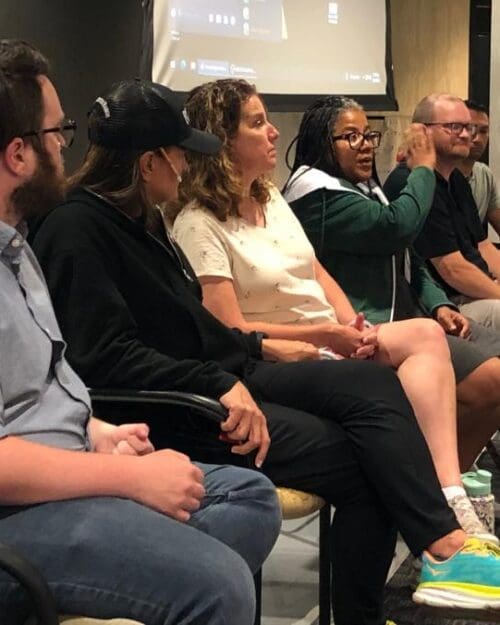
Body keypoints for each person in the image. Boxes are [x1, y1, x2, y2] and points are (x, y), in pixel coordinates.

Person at [30, 76, 500, 623]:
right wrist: (224, 380)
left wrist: (262, 347)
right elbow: (103, 358)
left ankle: (437, 547)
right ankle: (435, 553)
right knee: (366, 455)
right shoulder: (79, 229)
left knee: (374, 392)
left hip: (222, 374)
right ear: (150, 162)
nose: (186, 168)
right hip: (178, 406)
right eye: (180, 155)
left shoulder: (139, 221)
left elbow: (197, 328)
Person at [0, 39, 282, 625]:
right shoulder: (65, 233)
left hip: (70, 463)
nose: (67, 147)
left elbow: (40, 389)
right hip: (17, 516)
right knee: (220, 586)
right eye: (60, 133)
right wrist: (125, 477)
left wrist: (97, 430)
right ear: (18, 155)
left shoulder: (16, 245)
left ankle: (150, 572)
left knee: (249, 496)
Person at [171, 78, 493, 544]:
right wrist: (326, 334)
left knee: (424, 333)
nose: (274, 134)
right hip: (283, 352)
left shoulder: (270, 195)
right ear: (222, 141)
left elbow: (315, 270)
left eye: (368, 135)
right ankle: (438, 526)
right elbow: (228, 329)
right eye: (258, 123)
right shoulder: (200, 223)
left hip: (328, 335)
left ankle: (448, 493)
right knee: (389, 392)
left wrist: (349, 322)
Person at [282, 93, 500, 474]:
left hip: (413, 319)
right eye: (351, 137)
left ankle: (446, 482)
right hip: (365, 332)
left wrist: (439, 305)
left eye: (369, 136)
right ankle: (430, 487)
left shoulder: (364, 187)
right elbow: (395, 229)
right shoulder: (317, 197)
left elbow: (410, 256)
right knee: (489, 381)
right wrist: (423, 169)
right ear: (322, 142)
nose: (365, 146)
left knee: (494, 384)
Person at [384, 93, 500, 332]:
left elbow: (483, 246)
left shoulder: (455, 177)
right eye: (454, 127)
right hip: (444, 305)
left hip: (476, 293)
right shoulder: (410, 182)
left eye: (469, 127)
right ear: (422, 131)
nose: (468, 135)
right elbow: (451, 269)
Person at [457, 100, 500, 235]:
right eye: (471, 129)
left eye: (484, 131)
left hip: (473, 252)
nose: (478, 139)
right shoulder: (439, 176)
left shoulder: (484, 174)